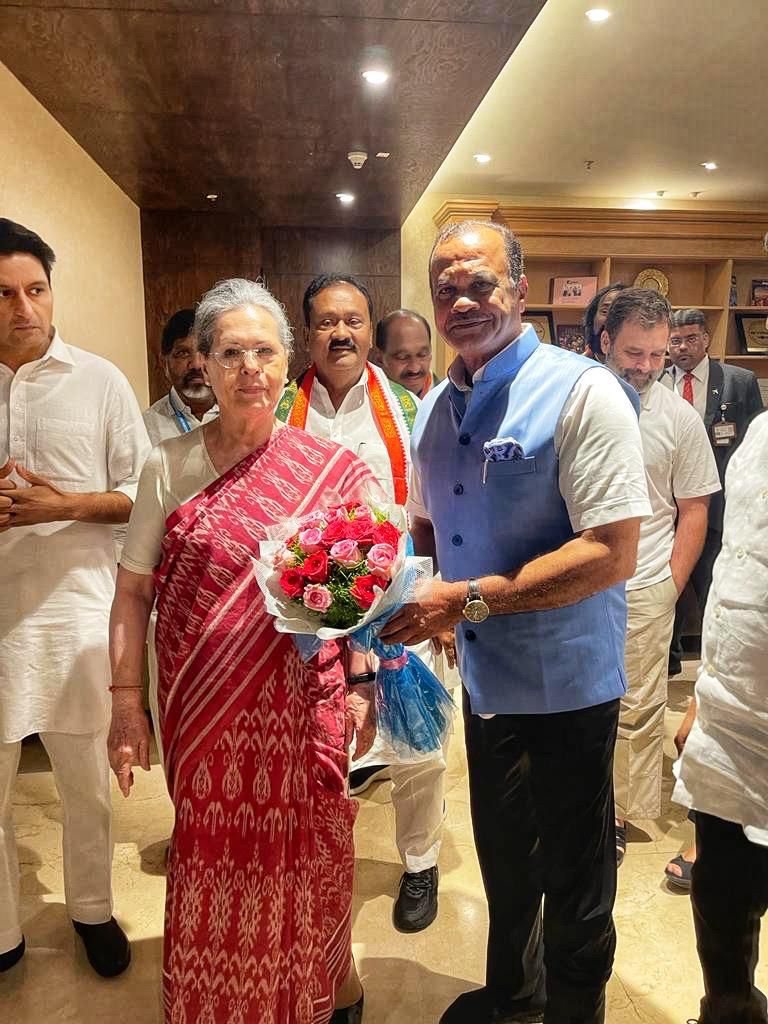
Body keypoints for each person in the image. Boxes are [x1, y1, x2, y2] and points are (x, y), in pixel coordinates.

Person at [382, 219, 651, 1024]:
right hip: (486, 681)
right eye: (445, 287)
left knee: (574, 876)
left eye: (480, 282)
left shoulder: (582, 390)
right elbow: (425, 522)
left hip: (568, 686)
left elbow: (611, 552)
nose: (462, 299)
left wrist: (464, 601)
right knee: (504, 861)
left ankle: (573, 1012)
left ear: (520, 291)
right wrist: (406, 593)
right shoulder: (433, 408)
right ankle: (514, 995)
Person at [108, 278, 376, 1024]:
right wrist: (127, 704)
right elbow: (132, 593)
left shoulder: (330, 469)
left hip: (300, 711)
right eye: (231, 352)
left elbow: (356, 602)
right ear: (204, 361)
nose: (249, 368)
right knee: (211, 863)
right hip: (201, 715)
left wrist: (361, 684)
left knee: (308, 862)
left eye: (264, 350)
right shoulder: (167, 464)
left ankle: (326, 992)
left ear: (287, 360)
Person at [276, 274, 449, 934]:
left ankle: (420, 863)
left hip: (400, 601)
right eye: (325, 322)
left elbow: (438, 505)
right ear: (307, 333)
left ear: (372, 331)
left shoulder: (413, 410)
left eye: (353, 320)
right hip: (307, 607)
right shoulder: (279, 408)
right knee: (315, 750)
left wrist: (446, 596)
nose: (341, 333)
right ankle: (317, 868)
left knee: (419, 749)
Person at [0, 218, 150, 977]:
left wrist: (65, 505)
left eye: (36, 289)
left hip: (77, 612)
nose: (23, 307)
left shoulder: (99, 380)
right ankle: (2, 933)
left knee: (84, 780)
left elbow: (140, 495)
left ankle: (92, 910)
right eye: (3, 293)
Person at [600, 289, 720, 865]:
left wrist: (672, 584)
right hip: (575, 583)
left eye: (655, 354)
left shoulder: (681, 417)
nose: (645, 367)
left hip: (646, 586)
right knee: (576, 700)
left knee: (636, 705)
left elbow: (693, 507)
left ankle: (618, 813)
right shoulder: (575, 403)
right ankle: (575, 798)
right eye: (633, 353)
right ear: (606, 343)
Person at [672, 407, 768, 1024]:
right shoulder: (761, 434)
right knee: (725, 896)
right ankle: (729, 1009)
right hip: (734, 724)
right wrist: (704, 697)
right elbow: (741, 567)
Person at [661, 307, 763, 888]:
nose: (678, 347)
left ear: (706, 338)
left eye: (688, 338)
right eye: (672, 339)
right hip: (681, 510)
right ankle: (679, 653)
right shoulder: (663, 384)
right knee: (690, 593)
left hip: (726, 511)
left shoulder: (740, 383)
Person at [142, 307, 218, 446]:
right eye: (183, 353)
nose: (196, 364)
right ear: (164, 363)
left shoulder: (241, 416)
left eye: (205, 352)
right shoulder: (146, 429)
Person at [375, 308, 441, 398]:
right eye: (402, 357)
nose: (415, 368)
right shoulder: (365, 404)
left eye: (422, 355)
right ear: (380, 360)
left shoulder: (453, 401)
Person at [582, 282, 628, 360]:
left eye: (622, 313)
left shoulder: (646, 368)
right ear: (592, 319)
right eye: (605, 311)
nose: (612, 319)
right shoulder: (576, 367)